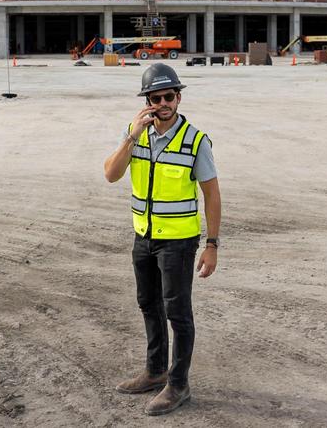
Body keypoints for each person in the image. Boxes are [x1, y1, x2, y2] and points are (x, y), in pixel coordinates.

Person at [102, 62, 222, 416]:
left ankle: (179, 385)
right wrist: (131, 137)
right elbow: (110, 175)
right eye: (156, 98)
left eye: (170, 96)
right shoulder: (134, 134)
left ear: (179, 98)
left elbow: (212, 195)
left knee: (178, 313)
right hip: (144, 237)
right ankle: (156, 372)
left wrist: (212, 244)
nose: (164, 103)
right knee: (148, 304)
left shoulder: (196, 141)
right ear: (147, 101)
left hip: (179, 242)